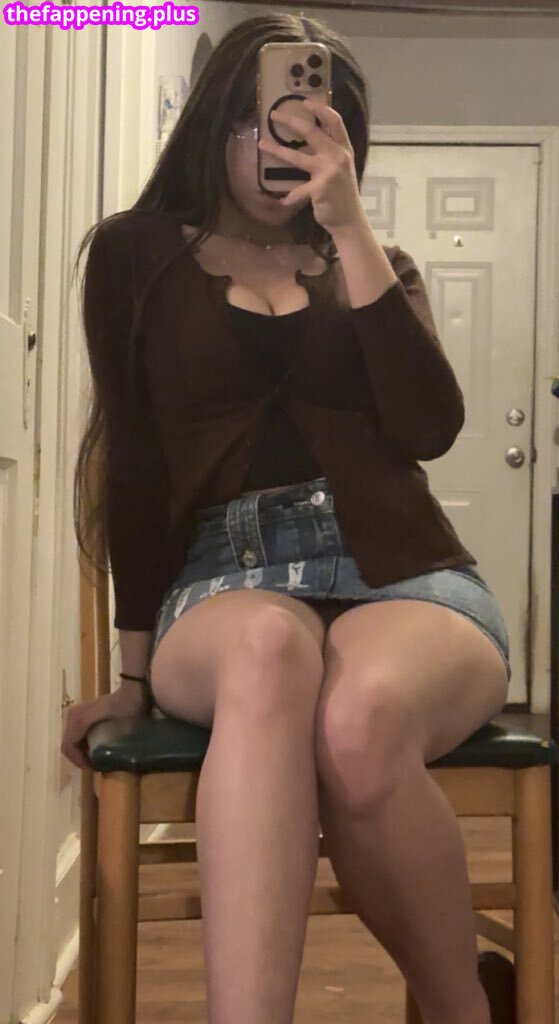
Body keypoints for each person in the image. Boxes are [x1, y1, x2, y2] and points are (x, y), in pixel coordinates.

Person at [63, 13, 510, 1024]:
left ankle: (461, 1011)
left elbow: (430, 428)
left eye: (319, 123)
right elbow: (135, 459)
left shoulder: (377, 264)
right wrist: (132, 672)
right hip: (223, 576)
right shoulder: (137, 255)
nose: (285, 143)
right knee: (269, 651)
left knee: (359, 724)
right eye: (265, 119)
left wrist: (350, 229)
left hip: (404, 573)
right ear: (219, 120)